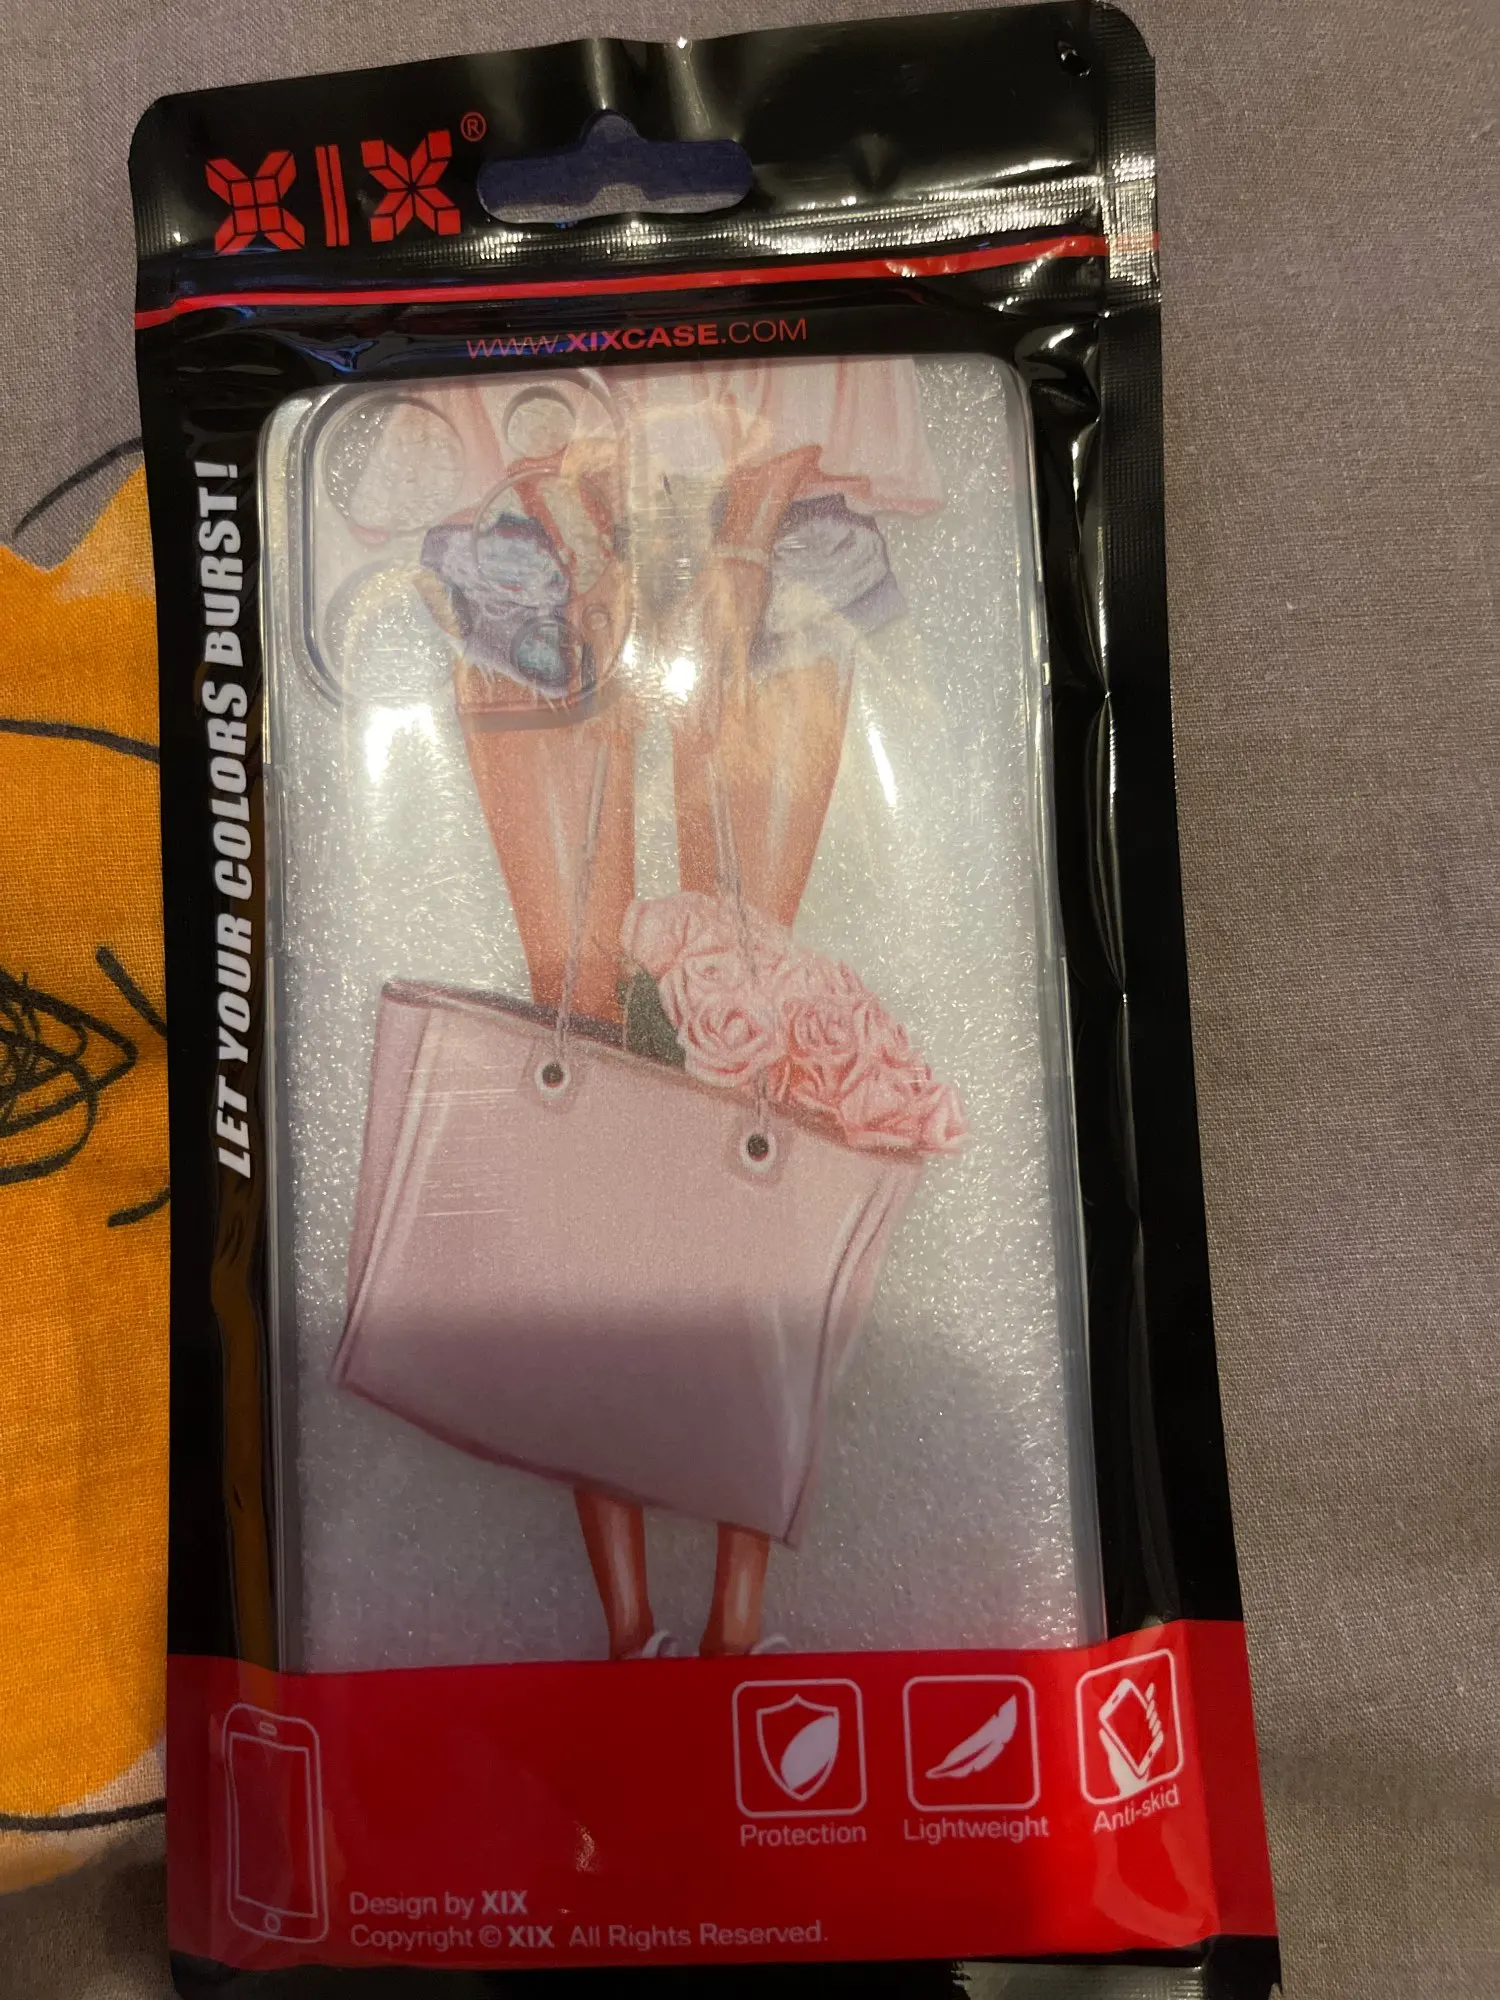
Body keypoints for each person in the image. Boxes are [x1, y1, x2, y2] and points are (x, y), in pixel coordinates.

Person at [406, 357, 941, 1656]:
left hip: (773, 515)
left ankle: (728, 1629)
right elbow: (507, 416)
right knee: (580, 1034)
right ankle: (637, 1632)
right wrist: (583, 531)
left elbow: (813, 400)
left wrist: (739, 543)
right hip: (534, 522)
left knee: (739, 1028)